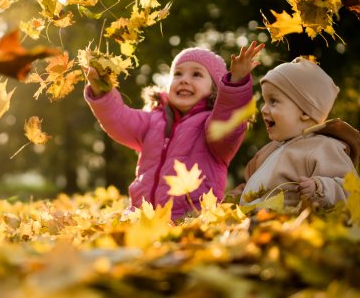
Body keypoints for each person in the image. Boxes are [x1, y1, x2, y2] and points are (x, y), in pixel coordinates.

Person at [84, 42, 264, 220]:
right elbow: (119, 119)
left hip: (189, 219)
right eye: (177, 74)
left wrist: (235, 84)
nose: (184, 79)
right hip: (141, 217)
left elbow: (228, 120)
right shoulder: (152, 120)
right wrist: (101, 90)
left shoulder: (212, 125)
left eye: (196, 74)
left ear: (215, 89)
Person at [234, 57, 360, 208]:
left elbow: (351, 189)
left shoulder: (324, 147)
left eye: (273, 101)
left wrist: (320, 188)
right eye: (264, 101)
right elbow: (258, 185)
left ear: (304, 112)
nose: (263, 109)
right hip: (259, 223)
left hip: (292, 225)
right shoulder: (270, 150)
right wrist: (242, 193)